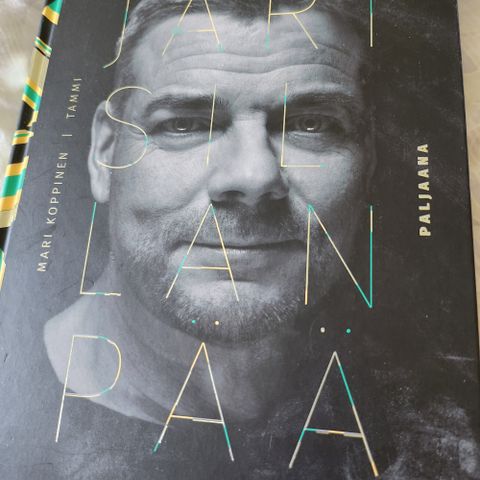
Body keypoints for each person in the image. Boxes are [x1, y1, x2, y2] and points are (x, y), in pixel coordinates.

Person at [43, 1, 395, 478]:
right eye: (184, 124)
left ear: (368, 158)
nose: (254, 177)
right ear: (104, 153)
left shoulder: (440, 417)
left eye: (311, 124)